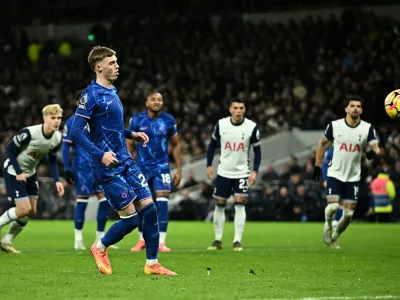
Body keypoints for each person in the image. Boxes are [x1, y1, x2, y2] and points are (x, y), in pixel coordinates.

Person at [70, 46, 176, 276]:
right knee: (130, 219)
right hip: (106, 165)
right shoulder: (91, 95)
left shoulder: (112, 91)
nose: (117, 66)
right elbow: (76, 131)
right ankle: (99, 247)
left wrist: (132, 134)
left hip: (126, 160)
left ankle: (152, 263)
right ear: (99, 67)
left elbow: (113, 127)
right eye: (112, 62)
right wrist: (100, 154)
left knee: (150, 209)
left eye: (116, 61)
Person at [313, 95, 380, 249]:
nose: (355, 108)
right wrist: (317, 166)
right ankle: (328, 227)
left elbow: (374, 146)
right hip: (335, 173)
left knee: (348, 215)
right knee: (333, 207)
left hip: (353, 176)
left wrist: (373, 152)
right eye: (352, 105)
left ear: (361, 110)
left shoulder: (367, 128)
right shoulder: (335, 126)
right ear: (346, 109)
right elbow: (322, 143)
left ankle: (335, 236)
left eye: (358, 106)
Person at [0, 104, 65, 253]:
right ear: (44, 118)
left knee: (31, 210)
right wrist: (18, 171)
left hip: (29, 173)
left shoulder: (57, 137)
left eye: (59, 118)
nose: (56, 121)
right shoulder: (30, 133)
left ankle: (7, 240)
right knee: (23, 209)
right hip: (13, 170)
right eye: (53, 117)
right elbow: (9, 149)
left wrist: (57, 180)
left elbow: (53, 160)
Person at [128, 92, 182, 253]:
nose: (157, 102)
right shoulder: (136, 120)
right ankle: (141, 240)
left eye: (159, 99)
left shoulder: (168, 120)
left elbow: (176, 145)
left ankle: (161, 242)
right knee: (141, 204)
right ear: (146, 102)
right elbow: (130, 146)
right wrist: (129, 168)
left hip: (162, 167)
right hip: (141, 168)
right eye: (153, 99)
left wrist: (179, 169)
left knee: (163, 203)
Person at [206, 98, 261, 251]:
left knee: (240, 203)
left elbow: (257, 151)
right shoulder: (221, 124)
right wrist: (209, 165)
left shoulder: (251, 127)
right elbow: (211, 146)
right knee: (220, 204)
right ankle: (218, 240)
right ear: (230, 109)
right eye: (235, 108)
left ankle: (237, 241)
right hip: (223, 172)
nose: (238, 111)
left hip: (242, 172)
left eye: (241, 108)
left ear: (245, 110)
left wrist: (255, 171)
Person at [62, 91, 114, 250]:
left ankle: (101, 239)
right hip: (82, 166)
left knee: (105, 201)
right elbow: (66, 145)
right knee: (82, 200)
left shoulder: (98, 119)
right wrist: (66, 168)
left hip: (99, 164)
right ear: (78, 102)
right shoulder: (72, 122)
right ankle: (78, 239)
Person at [321, 146, 342, 229]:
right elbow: (324, 167)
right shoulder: (330, 152)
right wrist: (325, 179)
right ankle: (332, 220)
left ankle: (339, 220)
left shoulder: (345, 152)